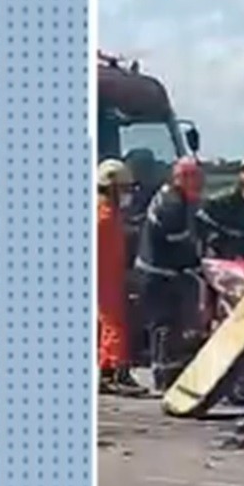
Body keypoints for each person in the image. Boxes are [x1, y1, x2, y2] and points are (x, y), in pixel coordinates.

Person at [135, 157, 206, 392]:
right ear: (183, 178)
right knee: (164, 325)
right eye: (196, 178)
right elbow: (179, 242)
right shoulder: (172, 204)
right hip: (158, 274)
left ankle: (168, 373)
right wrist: (198, 264)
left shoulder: (172, 197)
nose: (200, 183)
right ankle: (164, 377)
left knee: (169, 325)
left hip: (161, 272)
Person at [98, 159, 145, 395]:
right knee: (115, 324)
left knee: (110, 324)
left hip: (111, 276)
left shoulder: (109, 214)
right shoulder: (104, 217)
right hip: (105, 278)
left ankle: (107, 370)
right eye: (125, 188)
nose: (128, 194)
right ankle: (118, 371)